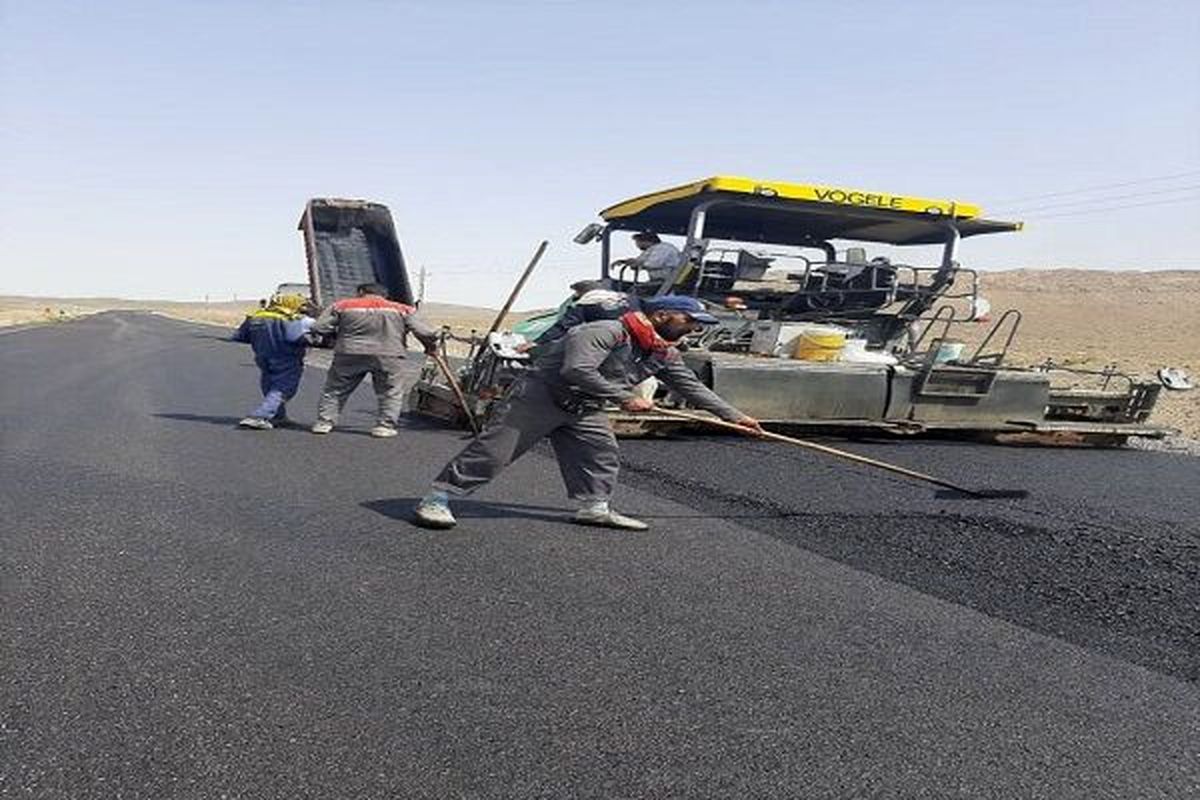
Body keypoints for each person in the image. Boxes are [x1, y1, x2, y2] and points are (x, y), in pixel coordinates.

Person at [412, 295, 761, 531]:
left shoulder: (661, 350)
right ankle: (438, 497)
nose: (694, 328)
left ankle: (593, 507)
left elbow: (690, 386)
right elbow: (577, 371)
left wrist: (734, 416)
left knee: (600, 453)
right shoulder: (605, 331)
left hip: (585, 407)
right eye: (689, 320)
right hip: (541, 397)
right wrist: (624, 397)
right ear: (662, 315)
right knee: (494, 452)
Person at [308, 282, 439, 438]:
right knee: (390, 392)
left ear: (361, 292)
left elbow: (319, 327)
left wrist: (339, 331)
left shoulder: (342, 306)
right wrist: (430, 346)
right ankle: (384, 427)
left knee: (335, 389)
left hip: (350, 353)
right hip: (389, 355)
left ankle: (324, 423)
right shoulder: (403, 309)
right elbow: (426, 332)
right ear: (384, 295)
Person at [231, 294, 315, 430]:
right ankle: (258, 416)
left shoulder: (255, 316)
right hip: (286, 357)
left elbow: (240, 336)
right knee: (283, 388)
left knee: (269, 384)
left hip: (262, 356)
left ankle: (279, 417)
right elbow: (294, 337)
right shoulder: (291, 318)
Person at [610, 231, 684, 290]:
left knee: (633, 292)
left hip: (666, 281)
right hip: (658, 281)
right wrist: (624, 261)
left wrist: (638, 265)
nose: (637, 245)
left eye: (637, 242)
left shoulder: (663, 248)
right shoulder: (652, 249)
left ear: (645, 241)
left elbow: (653, 264)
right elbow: (639, 260)